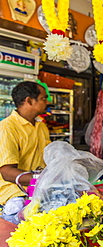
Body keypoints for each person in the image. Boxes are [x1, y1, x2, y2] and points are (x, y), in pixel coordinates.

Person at [0, 81, 51, 224]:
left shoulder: (41, 127)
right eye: (43, 98)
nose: (47, 102)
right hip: (14, 194)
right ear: (29, 100)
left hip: (38, 189)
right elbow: (6, 172)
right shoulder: (7, 128)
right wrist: (40, 179)